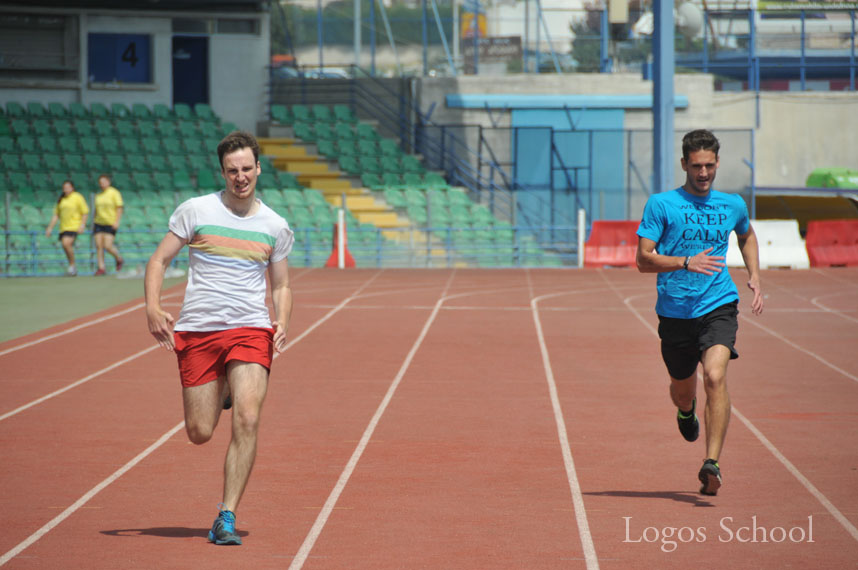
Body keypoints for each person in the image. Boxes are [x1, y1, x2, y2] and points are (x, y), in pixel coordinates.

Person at [144, 131, 294, 546]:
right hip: (199, 331)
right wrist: (153, 307)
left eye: (247, 169)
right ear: (223, 172)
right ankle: (222, 386)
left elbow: (281, 285)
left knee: (247, 417)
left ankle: (226, 515)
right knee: (200, 431)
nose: (241, 176)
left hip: (249, 328)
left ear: (259, 168)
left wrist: (282, 319)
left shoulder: (274, 226)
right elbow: (159, 260)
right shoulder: (196, 210)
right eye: (233, 170)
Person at [635, 129, 763, 496]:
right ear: (684, 165)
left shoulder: (732, 204)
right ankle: (686, 410)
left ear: (717, 163)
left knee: (715, 375)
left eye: (709, 165)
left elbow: (746, 235)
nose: (703, 173)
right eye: (696, 166)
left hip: (718, 304)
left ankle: (712, 463)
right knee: (682, 388)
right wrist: (685, 262)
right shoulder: (662, 205)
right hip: (675, 312)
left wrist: (754, 275)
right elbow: (644, 261)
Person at [45, 180, 89, 276]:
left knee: (66, 243)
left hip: (74, 226)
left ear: (72, 188)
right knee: (65, 246)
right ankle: (72, 266)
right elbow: (56, 215)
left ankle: (72, 266)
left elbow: (85, 212)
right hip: (63, 227)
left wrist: (82, 225)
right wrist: (50, 228)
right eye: (64, 187)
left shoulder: (77, 197)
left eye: (68, 187)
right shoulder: (61, 199)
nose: (66, 189)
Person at [92, 174, 125, 275]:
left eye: (104, 182)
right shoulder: (98, 195)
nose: (102, 184)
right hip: (98, 223)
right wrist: (93, 221)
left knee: (107, 245)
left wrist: (117, 221)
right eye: (100, 183)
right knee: (98, 246)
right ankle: (101, 268)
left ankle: (118, 258)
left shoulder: (114, 193)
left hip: (110, 223)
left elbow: (119, 207)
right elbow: (96, 210)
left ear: (108, 182)